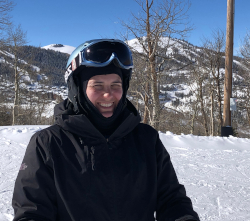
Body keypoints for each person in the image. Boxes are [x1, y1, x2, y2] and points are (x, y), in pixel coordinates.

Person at [12, 39, 200, 221]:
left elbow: (172, 200)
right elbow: (32, 212)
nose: (108, 94)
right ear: (77, 89)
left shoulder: (146, 139)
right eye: (97, 85)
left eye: (115, 85)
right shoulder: (48, 143)